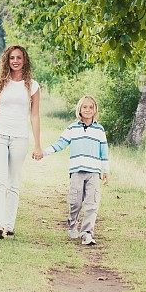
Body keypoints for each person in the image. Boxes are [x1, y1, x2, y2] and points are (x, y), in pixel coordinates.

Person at [0, 45, 41, 239]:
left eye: (19, 58)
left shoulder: (32, 86)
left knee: (14, 182)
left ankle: (9, 225)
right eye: (12, 58)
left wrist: (38, 144)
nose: (15, 61)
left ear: (24, 61)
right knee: (0, 181)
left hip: (19, 137)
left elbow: (34, 116)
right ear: (7, 61)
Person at [36, 95, 109, 246]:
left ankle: (87, 233)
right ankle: (72, 222)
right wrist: (44, 152)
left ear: (95, 110)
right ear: (79, 110)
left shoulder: (99, 130)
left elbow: (104, 153)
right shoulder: (72, 128)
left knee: (92, 203)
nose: (88, 110)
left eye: (91, 107)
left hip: (94, 172)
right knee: (75, 202)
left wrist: (105, 170)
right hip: (77, 171)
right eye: (84, 107)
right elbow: (60, 144)